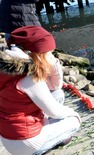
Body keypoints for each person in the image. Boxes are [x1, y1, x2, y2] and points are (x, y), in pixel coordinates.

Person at [0, 26, 81, 155]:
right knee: (74, 121)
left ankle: (50, 134)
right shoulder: (29, 78)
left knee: (57, 94)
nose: (50, 56)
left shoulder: (7, 68)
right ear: (35, 54)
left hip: (8, 136)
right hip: (26, 142)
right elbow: (55, 112)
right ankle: (41, 148)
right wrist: (73, 113)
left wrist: (53, 64)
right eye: (47, 53)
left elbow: (55, 88)